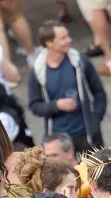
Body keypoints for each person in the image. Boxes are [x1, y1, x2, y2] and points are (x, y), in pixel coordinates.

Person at [27, 23, 106, 152]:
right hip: (59, 140)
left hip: (87, 135)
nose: (69, 40)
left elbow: (99, 92)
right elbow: (34, 106)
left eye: (68, 36)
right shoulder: (37, 70)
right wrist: (56, 105)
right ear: (49, 43)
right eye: (63, 38)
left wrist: (96, 118)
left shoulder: (80, 61)